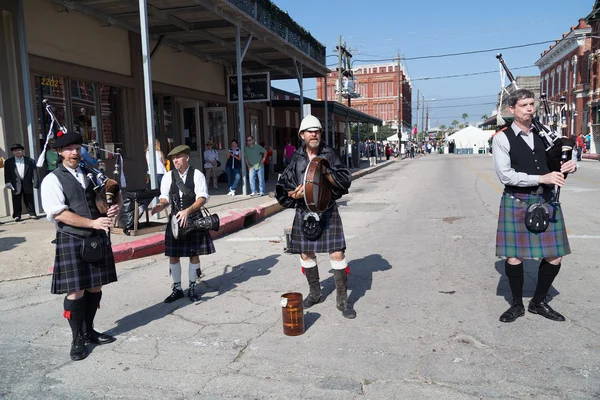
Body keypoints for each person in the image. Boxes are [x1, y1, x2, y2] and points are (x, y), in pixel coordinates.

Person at [492, 89, 577, 323]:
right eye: (524, 105)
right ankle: (517, 305)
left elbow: (563, 156)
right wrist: (542, 178)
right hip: (517, 200)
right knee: (514, 257)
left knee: (555, 256)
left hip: (547, 199)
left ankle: (538, 302)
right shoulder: (502, 138)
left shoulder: (546, 135)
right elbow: (506, 175)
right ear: (512, 109)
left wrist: (570, 165)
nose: (529, 109)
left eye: (531, 104)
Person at [40, 131, 120, 361]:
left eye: (77, 148)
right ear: (59, 153)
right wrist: (92, 222)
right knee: (76, 291)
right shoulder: (52, 179)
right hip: (73, 238)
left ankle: (89, 330)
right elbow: (60, 214)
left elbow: (114, 191)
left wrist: (114, 208)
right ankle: (77, 338)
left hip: (96, 238)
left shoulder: (92, 174)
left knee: (95, 286)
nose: (74, 153)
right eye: (69, 149)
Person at [275, 115, 355, 319]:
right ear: (302, 135)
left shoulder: (330, 153)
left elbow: (345, 179)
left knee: (336, 253)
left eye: (317, 131)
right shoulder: (297, 158)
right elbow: (284, 185)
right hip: (304, 210)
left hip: (327, 208)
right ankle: (315, 293)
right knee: (306, 254)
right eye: (309, 131)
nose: (314, 134)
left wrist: (326, 172)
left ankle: (343, 300)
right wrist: (294, 194)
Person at [151, 145, 215, 303]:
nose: (175, 161)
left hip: (193, 220)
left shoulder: (197, 175)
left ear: (186, 157)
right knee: (173, 255)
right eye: (173, 158)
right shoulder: (168, 176)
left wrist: (187, 211)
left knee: (194, 254)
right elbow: (165, 197)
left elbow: (202, 197)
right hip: (175, 221)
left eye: (178, 157)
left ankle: (192, 287)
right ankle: (177, 288)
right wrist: (161, 205)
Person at [4, 143, 39, 221]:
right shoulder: (9, 162)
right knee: (16, 199)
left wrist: (36, 182)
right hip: (15, 183)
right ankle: (17, 215)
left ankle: (32, 213)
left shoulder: (30, 160)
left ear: (22, 151)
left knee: (29, 198)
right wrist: (7, 182)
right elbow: (7, 173)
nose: (17, 152)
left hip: (27, 182)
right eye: (15, 150)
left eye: (19, 150)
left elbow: (35, 172)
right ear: (13, 152)